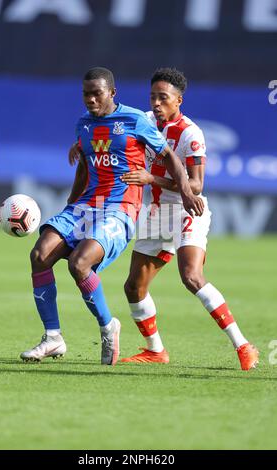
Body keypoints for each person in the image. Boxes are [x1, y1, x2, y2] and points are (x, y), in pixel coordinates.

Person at [20, 67, 204, 365]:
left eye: (97, 93)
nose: (91, 99)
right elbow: (85, 164)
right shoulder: (83, 124)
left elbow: (168, 155)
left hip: (119, 209)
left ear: (112, 93)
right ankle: (53, 337)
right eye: (86, 94)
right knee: (39, 254)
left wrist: (186, 191)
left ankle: (108, 327)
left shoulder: (135, 120)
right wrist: (70, 204)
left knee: (80, 264)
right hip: (85, 205)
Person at [121, 68, 259, 370]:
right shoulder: (143, 121)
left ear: (178, 100)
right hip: (155, 213)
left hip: (186, 210)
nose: (156, 103)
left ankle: (243, 345)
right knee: (133, 287)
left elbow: (196, 185)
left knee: (191, 276)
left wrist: (151, 178)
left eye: (163, 98)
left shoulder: (190, 133)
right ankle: (155, 350)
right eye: (153, 96)